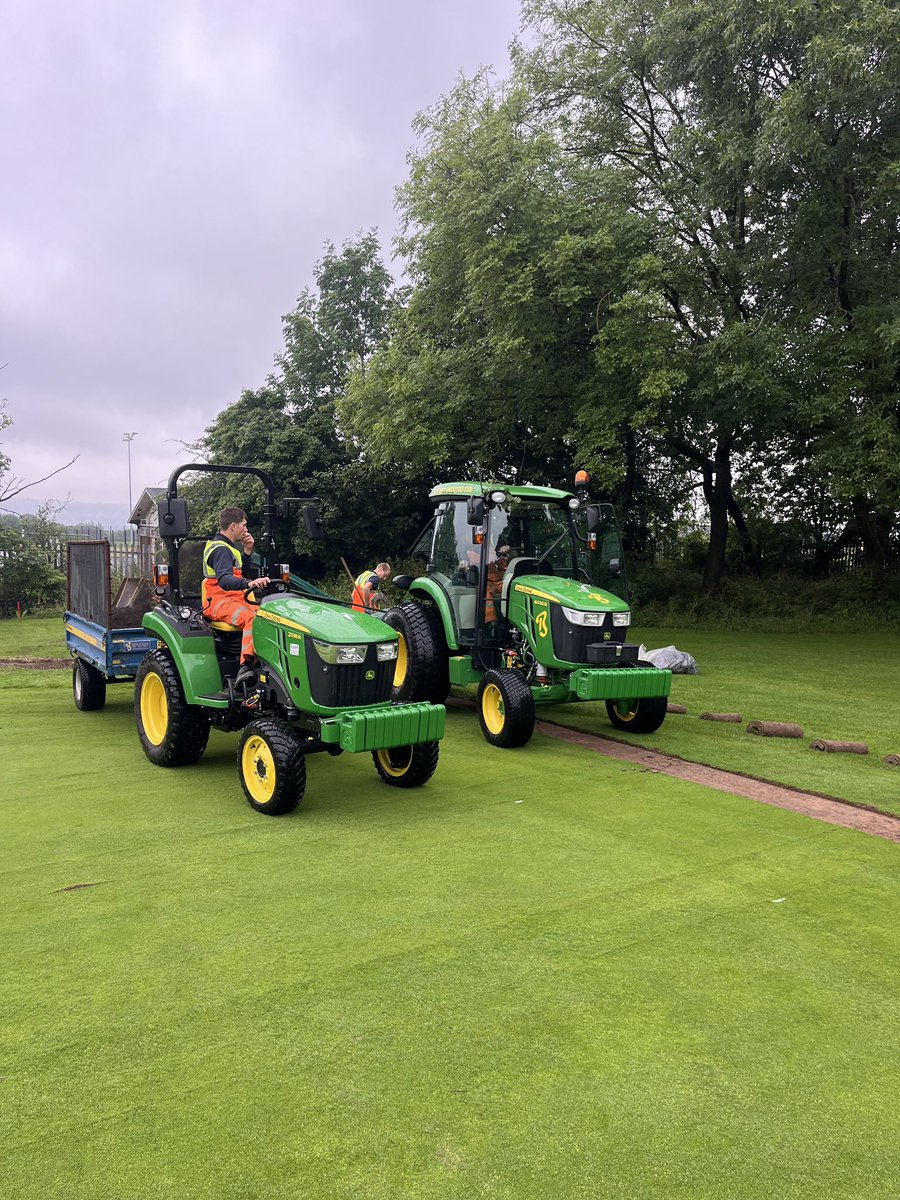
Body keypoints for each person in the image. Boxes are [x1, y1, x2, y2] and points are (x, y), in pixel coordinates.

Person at [202, 506, 270, 682]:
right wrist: (250, 583)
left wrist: (247, 551)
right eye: (244, 525)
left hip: (235, 599)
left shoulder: (229, 548)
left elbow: (240, 576)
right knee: (251, 618)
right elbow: (225, 581)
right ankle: (245, 667)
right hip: (219, 601)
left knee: (269, 617)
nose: (246, 529)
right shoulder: (220, 550)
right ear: (233, 526)